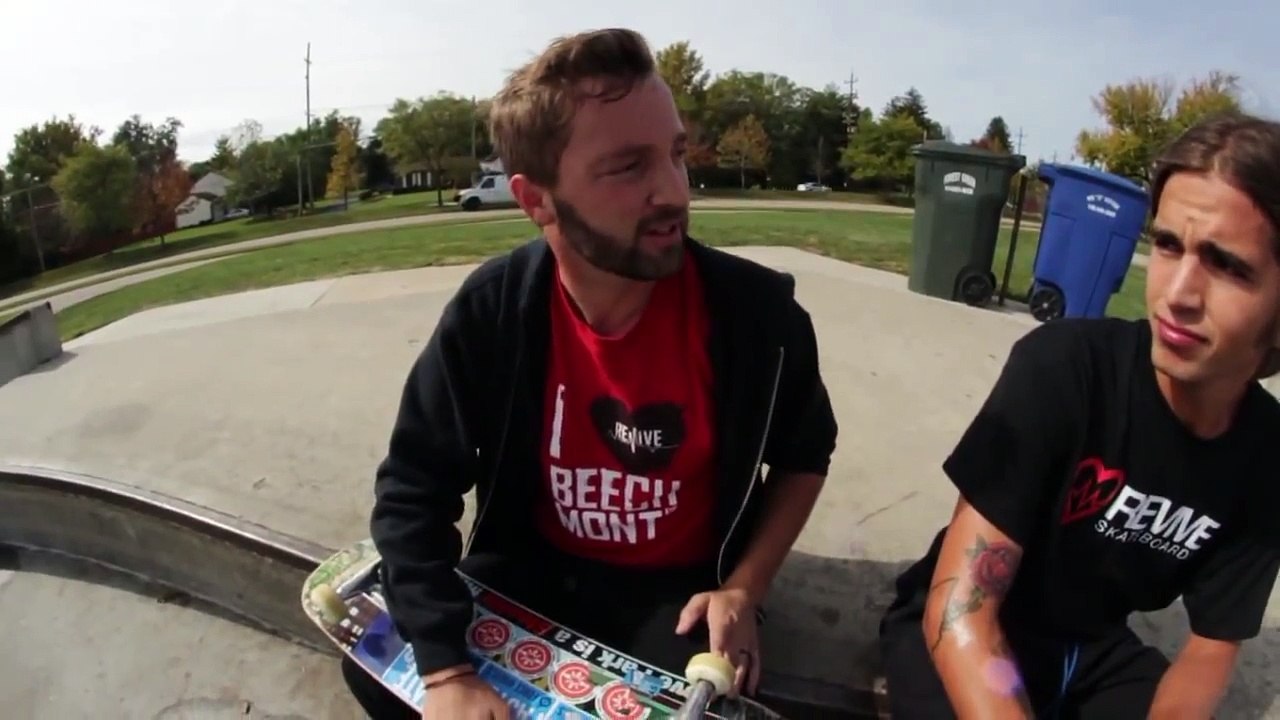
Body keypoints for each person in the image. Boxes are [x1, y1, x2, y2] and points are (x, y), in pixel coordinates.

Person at [340, 27, 839, 720]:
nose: (672, 191)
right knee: (379, 663)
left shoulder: (758, 317)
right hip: (529, 573)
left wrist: (744, 591)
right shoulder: (494, 310)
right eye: (628, 167)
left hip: (678, 598)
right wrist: (448, 673)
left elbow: (803, 457)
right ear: (536, 199)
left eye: (675, 155)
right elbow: (412, 492)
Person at [878, 111, 1280, 719]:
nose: (1178, 294)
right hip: (966, 633)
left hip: (1091, 653)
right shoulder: (1064, 369)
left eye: (1226, 265)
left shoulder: (1268, 457)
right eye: (1168, 245)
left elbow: (1209, 650)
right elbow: (963, 603)